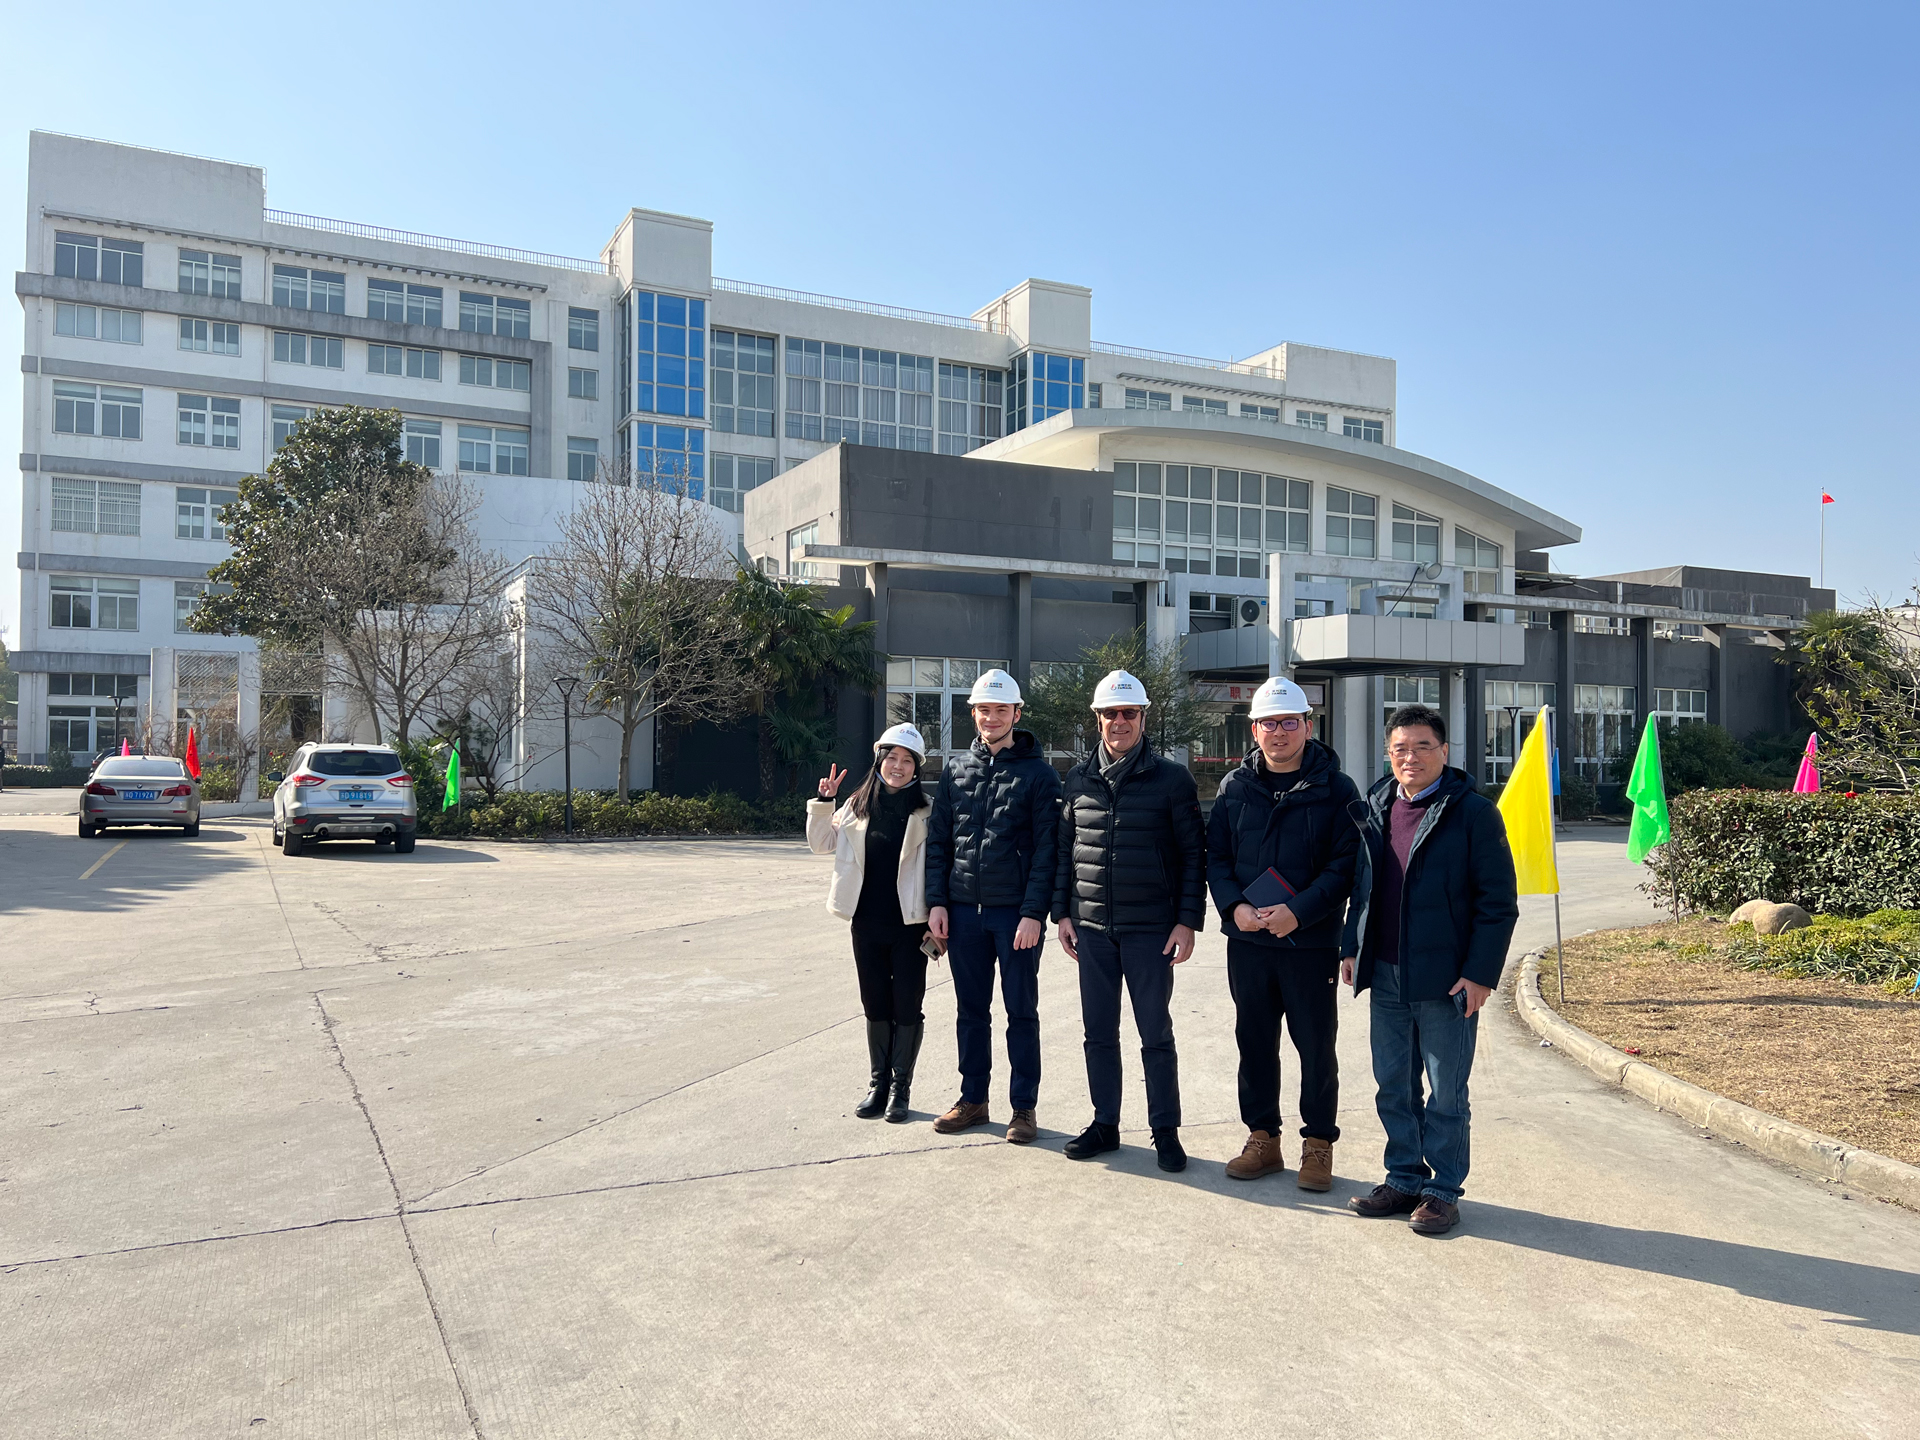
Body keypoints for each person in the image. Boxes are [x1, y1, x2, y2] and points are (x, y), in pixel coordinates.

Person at [1341, 702, 1518, 1234]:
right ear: (1388, 754)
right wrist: (1352, 947)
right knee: (1393, 1085)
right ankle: (1403, 1178)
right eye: (1400, 748)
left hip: (1447, 979)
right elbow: (1362, 889)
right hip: (1386, 973)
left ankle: (1442, 1191)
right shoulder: (1375, 807)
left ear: (1444, 751)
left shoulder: (1473, 813)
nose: (1410, 757)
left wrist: (1480, 974)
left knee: (1446, 1093)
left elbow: (1497, 903)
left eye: (1422, 746)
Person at [1206, 675, 1360, 1191]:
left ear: (1308, 726)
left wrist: (1299, 911)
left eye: (1289, 722)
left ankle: (1318, 1144)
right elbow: (1217, 857)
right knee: (1253, 1041)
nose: (1279, 732)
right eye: (1269, 723)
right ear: (1254, 730)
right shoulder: (1234, 788)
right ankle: (1263, 1138)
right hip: (1249, 942)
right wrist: (1235, 908)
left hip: (1309, 942)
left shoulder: (1336, 789)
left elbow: (1344, 866)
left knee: (1315, 1045)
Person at [1052, 669, 1206, 1172]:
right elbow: (1065, 851)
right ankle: (1105, 1124)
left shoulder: (1172, 780)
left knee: (1155, 1033)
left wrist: (1186, 921)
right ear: (1097, 719)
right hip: (1093, 929)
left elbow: (1193, 855)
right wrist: (1062, 914)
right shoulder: (1078, 779)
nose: (1119, 721)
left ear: (1143, 718)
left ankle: (1165, 1131)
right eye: (1111, 713)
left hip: (1151, 931)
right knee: (1098, 1032)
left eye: (1129, 713)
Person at [925, 668, 1064, 1144]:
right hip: (963, 911)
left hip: (1014, 915)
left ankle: (1023, 1108)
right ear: (974, 714)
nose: (991, 717)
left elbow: (1047, 851)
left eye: (1001, 709)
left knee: (1021, 1012)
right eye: (984, 709)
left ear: (1017, 714)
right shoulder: (956, 770)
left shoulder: (1040, 776)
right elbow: (939, 841)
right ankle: (973, 1099)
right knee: (970, 1011)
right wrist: (937, 902)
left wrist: (1033, 913)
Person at [808, 723, 935, 1124]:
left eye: (907, 760)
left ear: (917, 768)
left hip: (911, 926)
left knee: (907, 1006)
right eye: (891, 758)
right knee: (875, 1004)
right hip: (866, 924)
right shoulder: (855, 806)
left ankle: (900, 1089)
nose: (898, 766)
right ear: (880, 761)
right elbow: (820, 844)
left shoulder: (927, 811)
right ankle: (878, 1085)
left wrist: (938, 916)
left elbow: (940, 868)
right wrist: (824, 802)